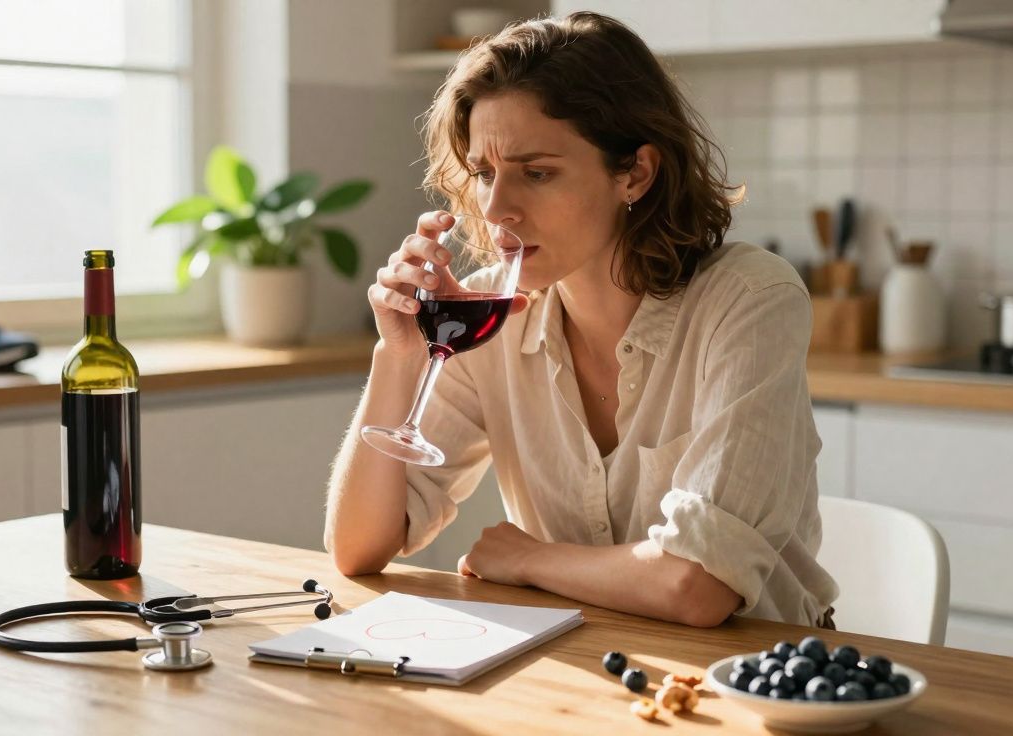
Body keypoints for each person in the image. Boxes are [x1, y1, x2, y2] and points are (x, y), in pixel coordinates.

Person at [324, 11, 838, 629]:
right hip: (578, 676)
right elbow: (358, 548)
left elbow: (697, 586)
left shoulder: (749, 299)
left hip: (751, 686)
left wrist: (533, 559)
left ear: (635, 172)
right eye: (486, 174)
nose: (496, 207)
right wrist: (399, 355)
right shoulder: (490, 313)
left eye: (537, 173)